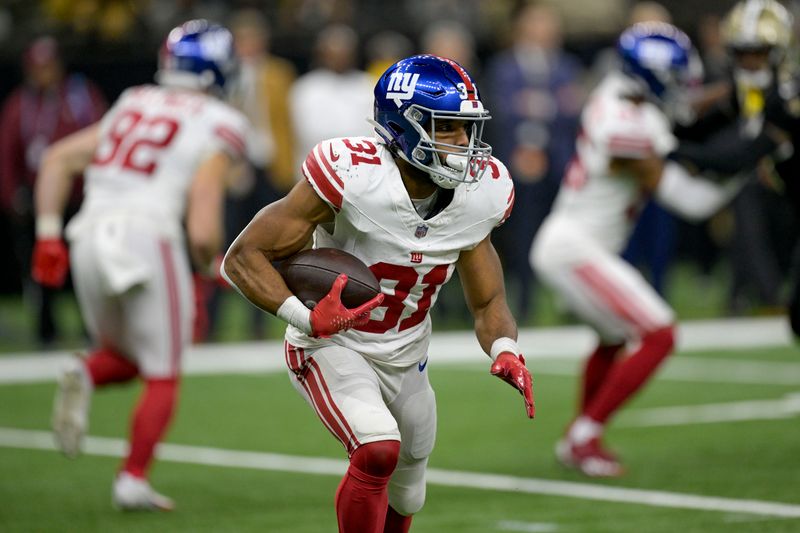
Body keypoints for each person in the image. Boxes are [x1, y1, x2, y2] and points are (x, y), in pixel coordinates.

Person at [222, 54, 534, 532]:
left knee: (408, 493)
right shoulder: (353, 174)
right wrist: (304, 318)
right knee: (376, 448)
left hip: (407, 354)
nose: (463, 144)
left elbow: (488, 301)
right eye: (446, 127)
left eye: (466, 129)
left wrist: (506, 348)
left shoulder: (482, 192)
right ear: (401, 125)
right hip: (332, 344)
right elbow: (243, 256)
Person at [31, 20, 247, 510]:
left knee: (127, 355)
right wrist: (212, 263)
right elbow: (203, 213)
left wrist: (47, 235)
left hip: (87, 233)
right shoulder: (221, 120)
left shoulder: (133, 100)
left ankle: (85, 372)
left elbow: (57, 159)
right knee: (163, 369)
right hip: (150, 235)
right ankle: (132, 477)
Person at [530, 23, 749, 477]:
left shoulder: (623, 96)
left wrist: (732, 94)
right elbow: (692, 201)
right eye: (673, 76)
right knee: (659, 333)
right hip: (573, 248)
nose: (682, 86)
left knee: (613, 339)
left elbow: (683, 107)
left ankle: (580, 437)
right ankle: (584, 435)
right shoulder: (621, 124)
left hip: (582, 245)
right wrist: (753, 162)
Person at [0, 36, 107, 346]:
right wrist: (11, 196)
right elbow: (7, 153)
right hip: (40, 200)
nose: (44, 73)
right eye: (38, 67)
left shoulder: (81, 96)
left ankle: (94, 328)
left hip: (80, 197)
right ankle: (46, 329)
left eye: (49, 66)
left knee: (84, 267)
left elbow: (106, 135)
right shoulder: (19, 104)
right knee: (43, 266)